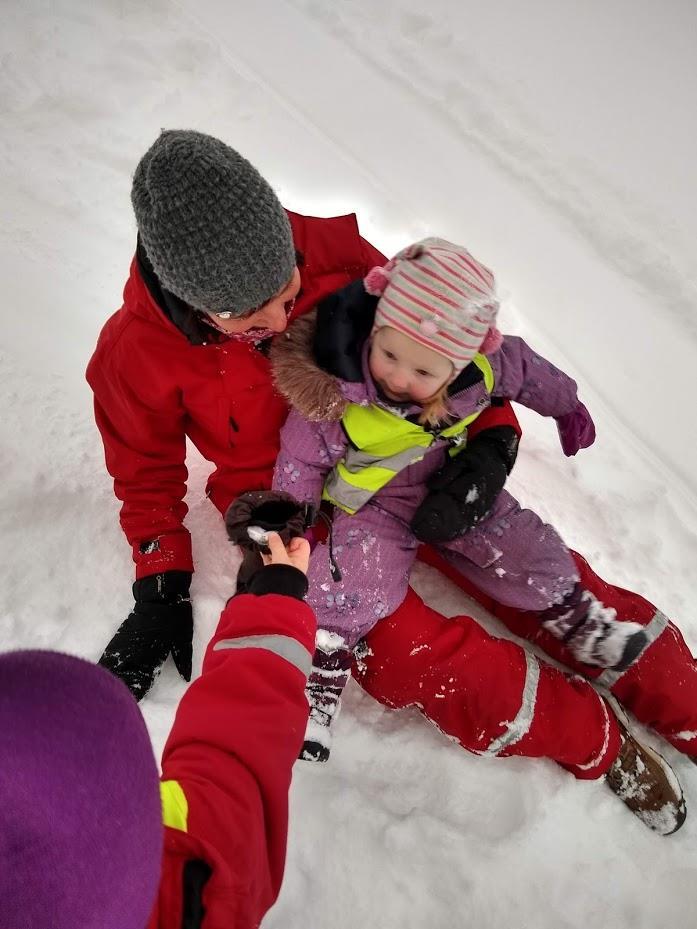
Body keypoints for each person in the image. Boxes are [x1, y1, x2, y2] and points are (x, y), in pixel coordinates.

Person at [87, 129, 697, 837]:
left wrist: (491, 439)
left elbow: (449, 347)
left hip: (410, 449)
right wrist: (161, 579)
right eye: (259, 325)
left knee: (542, 575)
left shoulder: (338, 255)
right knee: (401, 653)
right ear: (201, 310)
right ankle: (591, 738)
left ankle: (682, 697)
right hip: (297, 510)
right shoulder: (134, 357)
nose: (287, 322)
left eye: (291, 294)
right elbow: (144, 475)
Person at [266, 236, 646, 764]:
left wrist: (568, 407)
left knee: (518, 543)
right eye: (388, 353)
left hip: (453, 481)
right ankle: (319, 679)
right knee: (353, 581)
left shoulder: (485, 367)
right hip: (376, 503)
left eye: (423, 372)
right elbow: (300, 461)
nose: (397, 377)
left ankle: (578, 617)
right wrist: (293, 523)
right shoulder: (339, 390)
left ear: (461, 362)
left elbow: (531, 372)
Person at [0, 532, 315, 929]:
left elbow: (227, 766)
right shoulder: (194, 882)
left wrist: (159, 578)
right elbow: (233, 770)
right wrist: (273, 603)